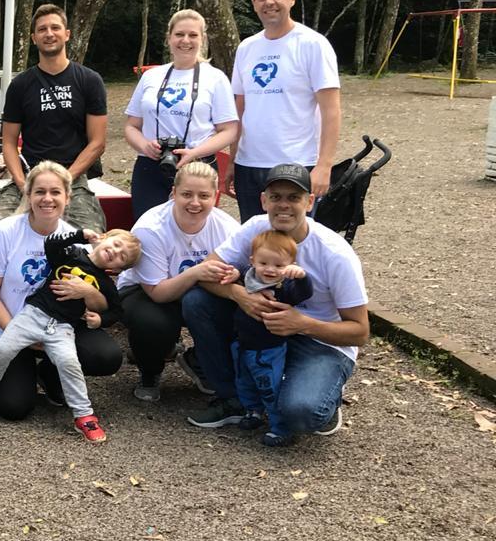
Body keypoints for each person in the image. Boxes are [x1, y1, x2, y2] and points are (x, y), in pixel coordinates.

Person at [181, 163, 369, 435]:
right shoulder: (256, 227)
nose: (284, 205)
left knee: (302, 414)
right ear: (263, 200)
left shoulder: (335, 254)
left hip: (319, 340)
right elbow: (205, 272)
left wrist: (301, 324)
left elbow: (360, 332)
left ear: (309, 202)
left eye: (294, 198)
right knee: (198, 301)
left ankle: (324, 394)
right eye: (276, 197)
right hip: (262, 328)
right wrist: (239, 294)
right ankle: (233, 397)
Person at [0, 161, 126, 420]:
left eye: (55, 192)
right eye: (40, 191)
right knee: (14, 406)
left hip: (56, 328)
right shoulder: (4, 232)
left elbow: (102, 304)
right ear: (28, 195)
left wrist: (88, 292)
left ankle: (49, 373)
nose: (47, 198)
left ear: (67, 198)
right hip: (7, 325)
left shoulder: (76, 240)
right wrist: (24, 337)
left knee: (106, 356)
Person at [0, 225, 140, 443]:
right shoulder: (73, 254)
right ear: (103, 238)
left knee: (69, 363)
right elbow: (51, 244)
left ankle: (84, 414)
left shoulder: (104, 283)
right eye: (115, 244)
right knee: (3, 349)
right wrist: (80, 235)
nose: (115, 252)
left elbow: (116, 311)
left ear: (119, 269)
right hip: (33, 314)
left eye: (121, 257)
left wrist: (100, 318)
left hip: (62, 326)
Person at [116, 161, 241, 402]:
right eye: (186, 194)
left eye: (204, 195)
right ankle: (150, 371)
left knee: (236, 308)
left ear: (215, 197)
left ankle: (198, 360)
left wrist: (234, 275)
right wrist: (196, 272)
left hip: (199, 291)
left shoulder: (227, 227)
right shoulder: (151, 227)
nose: (195, 203)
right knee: (152, 323)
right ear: (173, 194)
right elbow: (157, 292)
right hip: (146, 291)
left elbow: (243, 269)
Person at [0, 4, 108, 239]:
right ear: (33, 37)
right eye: (42, 29)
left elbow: (97, 143)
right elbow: (8, 142)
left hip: (73, 177)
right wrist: (23, 185)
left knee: (91, 242)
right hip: (29, 176)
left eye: (55, 27)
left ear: (67, 34)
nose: (49, 33)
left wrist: (65, 181)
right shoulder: (20, 86)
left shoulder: (90, 81)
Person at [230, 0, 342, 219]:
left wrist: (324, 166)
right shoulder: (246, 48)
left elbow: (331, 110)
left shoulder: (313, 44)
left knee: (291, 250)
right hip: (249, 165)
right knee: (255, 248)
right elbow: (240, 108)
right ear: (254, 3)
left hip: (296, 164)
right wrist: (233, 161)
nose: (269, 2)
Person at [123, 9, 238, 219]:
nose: (185, 40)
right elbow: (131, 126)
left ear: (202, 39)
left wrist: (195, 152)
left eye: (193, 35)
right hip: (152, 164)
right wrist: (144, 146)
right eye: (179, 34)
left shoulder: (215, 78)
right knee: (148, 230)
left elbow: (229, 130)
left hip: (197, 167)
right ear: (169, 38)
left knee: (194, 232)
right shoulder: (151, 76)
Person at [232, 230, 313, 445]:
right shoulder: (247, 277)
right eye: (264, 263)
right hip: (242, 345)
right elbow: (235, 275)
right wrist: (231, 275)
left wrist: (302, 277)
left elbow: (303, 294)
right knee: (244, 382)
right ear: (253, 261)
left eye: (278, 266)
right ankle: (253, 412)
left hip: (268, 349)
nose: (270, 269)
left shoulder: (283, 288)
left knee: (269, 387)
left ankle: (281, 427)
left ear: (289, 265)